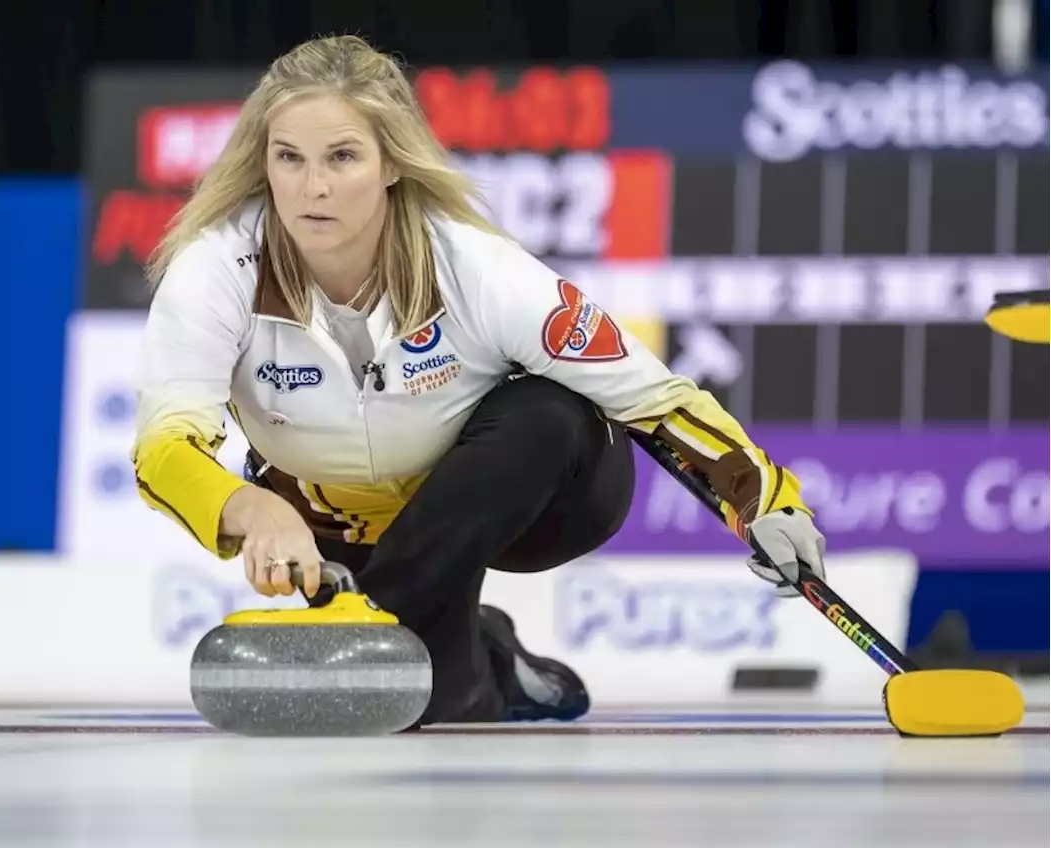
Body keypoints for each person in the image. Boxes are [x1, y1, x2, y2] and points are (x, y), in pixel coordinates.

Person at [132, 34, 827, 726]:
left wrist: (768, 502)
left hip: (528, 504)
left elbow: (652, 399)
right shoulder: (216, 268)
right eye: (289, 158)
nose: (312, 188)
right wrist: (253, 512)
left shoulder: (478, 268)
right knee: (433, 706)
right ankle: (486, 658)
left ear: (391, 165)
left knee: (549, 410)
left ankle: (372, 617)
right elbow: (163, 450)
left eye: (342, 157)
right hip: (342, 524)